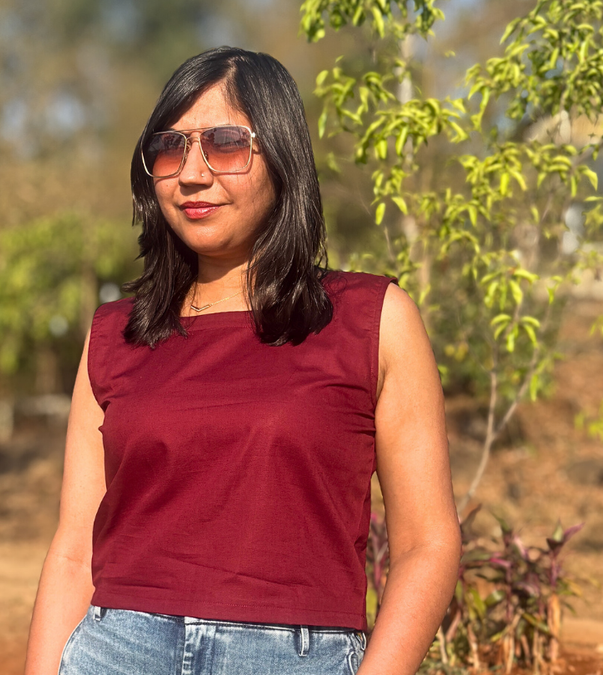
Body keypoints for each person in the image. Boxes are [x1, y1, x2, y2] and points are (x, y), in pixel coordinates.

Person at [24, 46, 460, 675]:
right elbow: (72, 551)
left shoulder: (372, 319)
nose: (191, 174)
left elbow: (427, 544)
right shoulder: (116, 333)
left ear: (281, 156)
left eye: (226, 144)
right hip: (116, 651)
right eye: (170, 148)